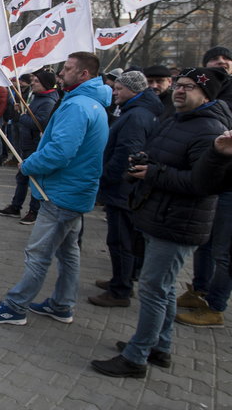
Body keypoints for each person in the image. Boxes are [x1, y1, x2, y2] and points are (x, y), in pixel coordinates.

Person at [91, 67, 231, 378]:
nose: (180, 91)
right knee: (164, 289)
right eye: (179, 85)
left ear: (206, 94)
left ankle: (136, 357)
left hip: (178, 223)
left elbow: (202, 184)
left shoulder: (209, 130)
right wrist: (144, 163)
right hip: (160, 214)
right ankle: (160, 347)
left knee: (154, 289)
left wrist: (153, 173)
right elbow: (165, 158)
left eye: (190, 87)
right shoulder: (180, 119)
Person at [0, 52, 110, 326]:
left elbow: (60, 152)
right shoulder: (88, 102)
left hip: (62, 193)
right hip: (74, 190)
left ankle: (15, 307)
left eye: (68, 68)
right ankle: (62, 305)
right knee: (68, 252)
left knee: (38, 253)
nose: (61, 73)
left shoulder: (78, 106)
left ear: (84, 74)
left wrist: (28, 165)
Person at [90, 71, 163, 308]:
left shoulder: (137, 116)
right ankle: (119, 280)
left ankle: (120, 290)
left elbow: (126, 153)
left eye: (119, 89)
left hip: (122, 188)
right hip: (125, 187)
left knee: (120, 240)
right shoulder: (138, 111)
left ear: (134, 90)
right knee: (124, 239)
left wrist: (107, 178)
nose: (114, 92)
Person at [174, 46, 232, 327]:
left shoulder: (221, 104)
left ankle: (216, 306)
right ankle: (199, 290)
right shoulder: (207, 93)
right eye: (215, 61)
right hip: (213, 180)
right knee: (205, 244)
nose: (222, 64)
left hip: (229, 182)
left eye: (226, 61)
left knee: (224, 250)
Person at [0, 69, 59, 224]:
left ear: (45, 84)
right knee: (22, 177)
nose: (33, 83)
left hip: (36, 145)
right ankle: (16, 206)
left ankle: (34, 211)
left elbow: (40, 124)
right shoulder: (37, 97)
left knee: (34, 179)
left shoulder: (48, 102)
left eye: (36, 81)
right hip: (27, 144)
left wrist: (22, 117)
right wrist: (20, 113)